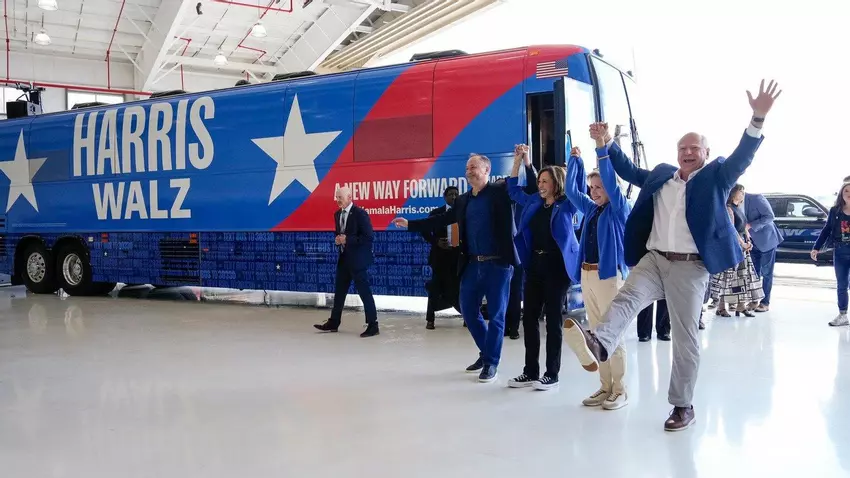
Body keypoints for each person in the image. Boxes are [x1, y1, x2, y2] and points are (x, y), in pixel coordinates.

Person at [563, 79, 781, 431]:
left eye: (695, 148)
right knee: (626, 298)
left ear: (706, 153)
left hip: (691, 267)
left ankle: (682, 405)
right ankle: (600, 343)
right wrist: (605, 144)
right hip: (654, 259)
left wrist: (757, 118)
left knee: (685, 338)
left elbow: (742, 158)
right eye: (683, 148)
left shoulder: (716, 176)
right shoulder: (663, 175)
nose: (687, 152)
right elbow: (629, 171)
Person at [392, 153, 519, 383]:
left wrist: (519, 160)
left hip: (498, 265)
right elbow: (440, 220)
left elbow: (518, 182)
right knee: (468, 311)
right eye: (467, 167)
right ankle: (487, 352)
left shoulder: (499, 192)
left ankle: (491, 362)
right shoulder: (462, 200)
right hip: (472, 263)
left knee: (497, 315)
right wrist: (410, 224)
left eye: (473, 167)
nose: (468, 171)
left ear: (487, 170)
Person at [560, 135, 632, 409]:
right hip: (588, 275)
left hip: (609, 276)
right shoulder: (591, 209)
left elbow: (612, 184)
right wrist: (575, 162)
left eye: (599, 187)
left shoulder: (618, 209)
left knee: (612, 333)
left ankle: (620, 389)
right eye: (592, 187)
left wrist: (601, 153)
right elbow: (571, 191)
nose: (594, 192)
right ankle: (605, 387)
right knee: (596, 335)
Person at [504, 144, 581, 391]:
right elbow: (512, 189)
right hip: (535, 265)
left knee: (553, 320)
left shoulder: (567, 204)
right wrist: (518, 161)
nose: (540, 185)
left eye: (545, 181)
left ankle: (551, 373)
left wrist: (575, 161)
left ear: (556, 183)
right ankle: (530, 371)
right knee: (529, 319)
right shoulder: (534, 201)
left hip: (557, 267)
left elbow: (577, 188)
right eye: (539, 181)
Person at [314, 186, 379, 338]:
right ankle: (334, 322)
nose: (337, 200)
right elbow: (340, 234)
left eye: (340, 197)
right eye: (336, 197)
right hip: (344, 259)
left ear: (350, 197)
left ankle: (373, 324)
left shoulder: (360, 214)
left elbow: (369, 237)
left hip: (358, 261)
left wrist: (347, 239)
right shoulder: (337, 214)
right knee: (339, 292)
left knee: (364, 292)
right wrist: (338, 240)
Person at [709, 184, 764, 317]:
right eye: (741, 191)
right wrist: (742, 243)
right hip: (733, 247)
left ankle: (741, 306)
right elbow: (732, 230)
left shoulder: (738, 208)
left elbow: (743, 226)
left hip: (742, 246)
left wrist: (748, 241)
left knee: (743, 277)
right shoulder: (729, 208)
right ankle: (721, 307)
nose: (743, 194)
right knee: (728, 277)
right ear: (733, 193)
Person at [421, 186, 461, 330]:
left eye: (456, 194)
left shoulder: (463, 212)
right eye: (450, 194)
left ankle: (466, 317)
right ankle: (430, 320)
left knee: (459, 288)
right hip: (439, 258)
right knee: (435, 288)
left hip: (457, 258)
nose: (454, 197)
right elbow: (424, 230)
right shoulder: (436, 213)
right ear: (445, 197)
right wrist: (436, 241)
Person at [811, 181, 850, 327]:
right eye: (846, 191)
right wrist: (816, 247)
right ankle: (843, 315)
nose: (849, 194)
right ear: (841, 194)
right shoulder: (835, 211)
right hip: (840, 251)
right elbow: (826, 230)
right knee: (842, 284)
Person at [743, 190, 782, 312]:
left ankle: (765, 302)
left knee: (766, 272)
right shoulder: (732, 200)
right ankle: (754, 300)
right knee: (754, 273)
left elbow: (770, 216)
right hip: (751, 241)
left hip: (766, 240)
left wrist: (751, 225)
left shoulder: (756, 198)